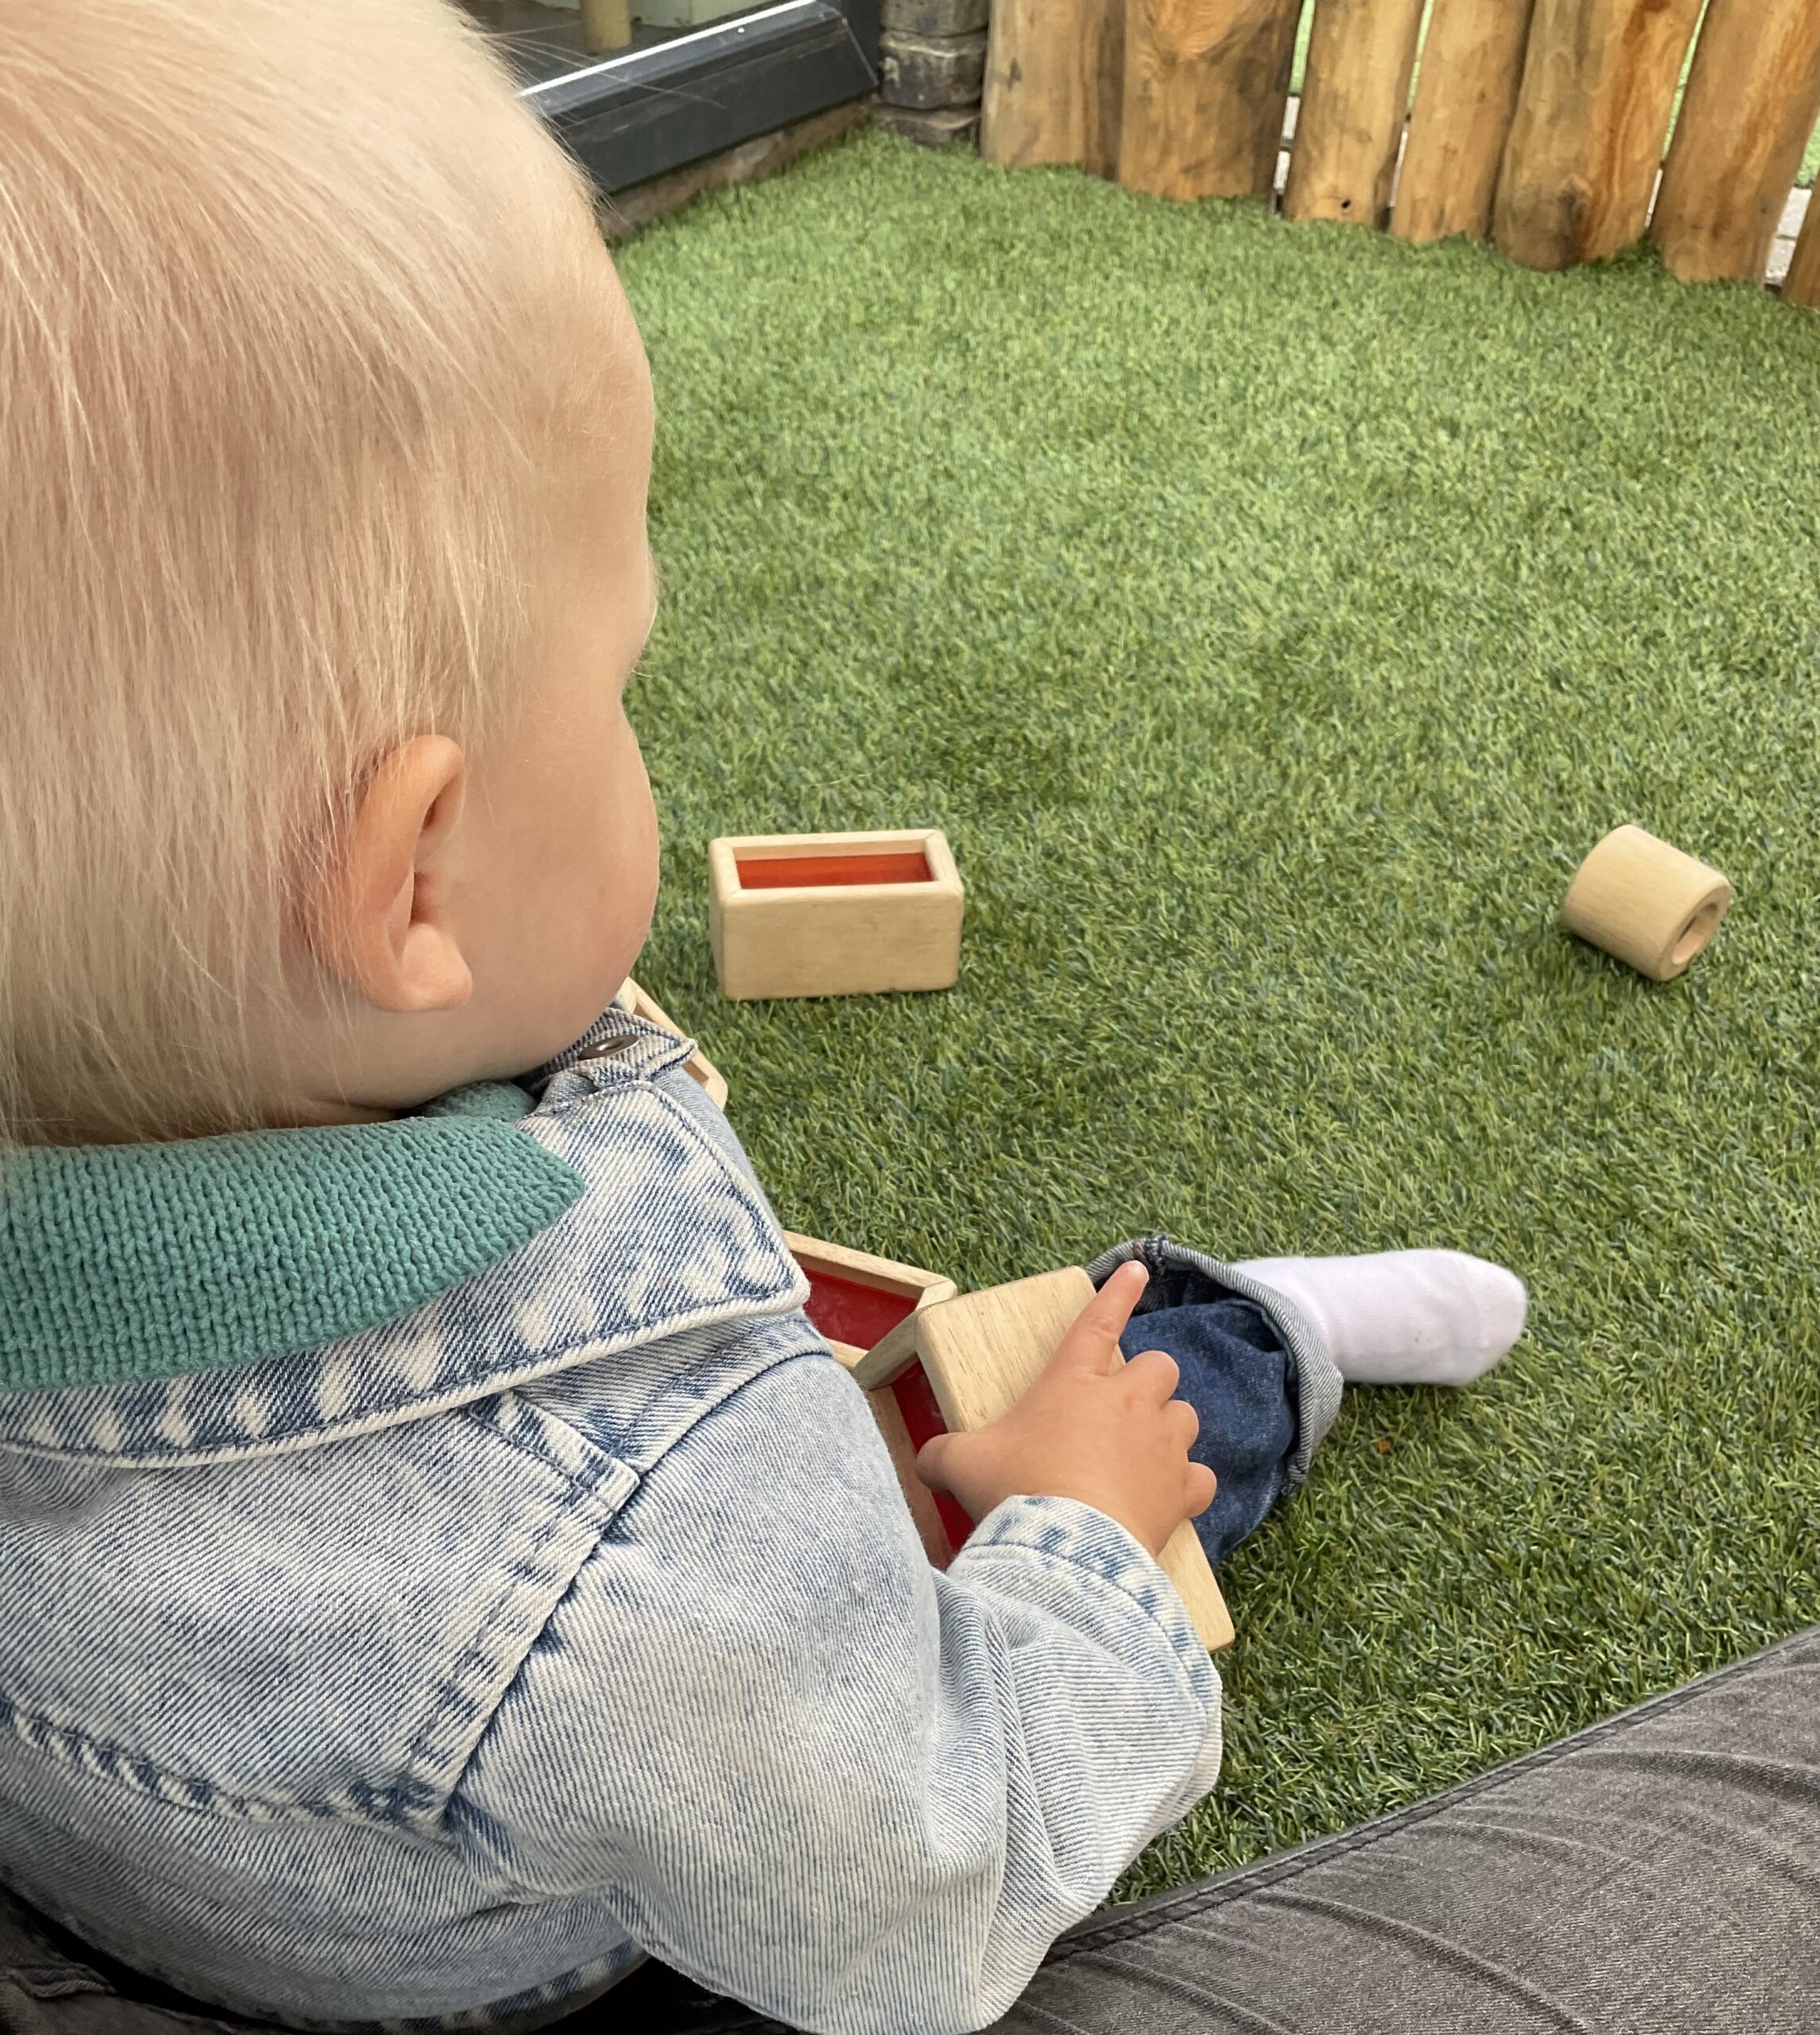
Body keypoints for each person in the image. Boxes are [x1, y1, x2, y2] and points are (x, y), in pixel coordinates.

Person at [0, 4, 1525, 2029]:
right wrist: (1074, 1526)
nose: (638, 724)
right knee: (1127, 1390)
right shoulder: (610, 1550)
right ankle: (1258, 1336)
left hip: (226, 1910)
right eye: (619, 685)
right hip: (603, 1934)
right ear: (413, 882)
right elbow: (929, 1881)